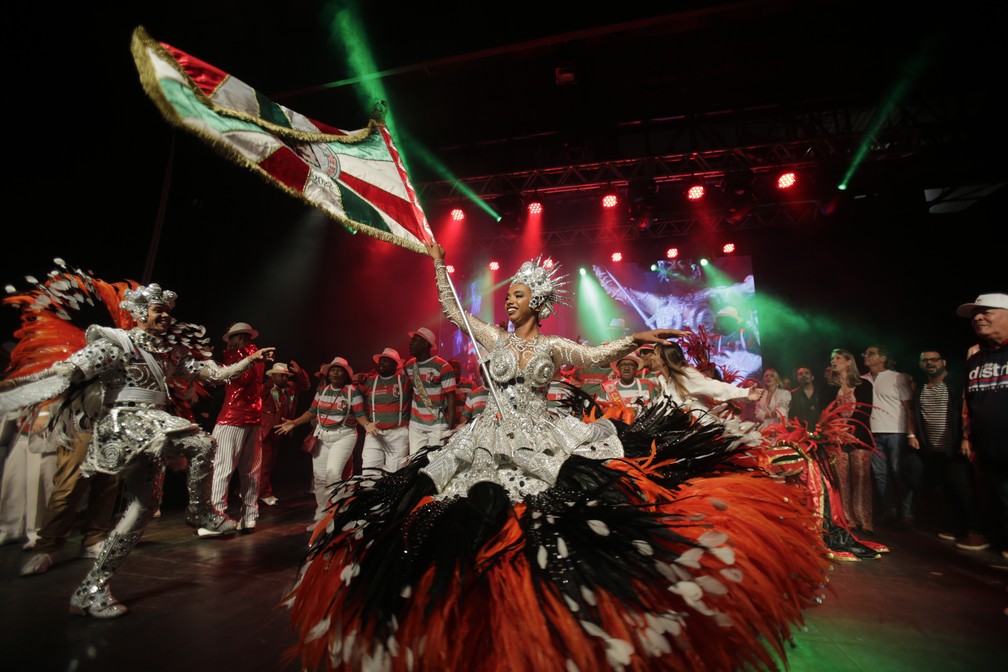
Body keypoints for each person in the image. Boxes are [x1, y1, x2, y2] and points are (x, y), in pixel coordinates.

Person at [281, 244, 830, 671]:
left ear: (538, 304)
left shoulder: (552, 347)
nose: (509, 299)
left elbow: (600, 353)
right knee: (458, 506)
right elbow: (452, 308)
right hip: (487, 434)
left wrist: (639, 337)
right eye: (510, 293)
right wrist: (437, 264)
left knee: (550, 505)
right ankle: (469, 602)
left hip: (542, 436)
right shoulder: (494, 340)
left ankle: (553, 601)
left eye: (518, 294)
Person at [0, 283, 275, 617]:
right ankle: (200, 512)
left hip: (154, 421)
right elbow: (66, 372)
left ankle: (93, 587)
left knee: (144, 508)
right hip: (126, 421)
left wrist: (253, 360)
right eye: (158, 310)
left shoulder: (171, 351)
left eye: (166, 311)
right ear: (139, 314)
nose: (164, 316)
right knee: (200, 441)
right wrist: (17, 388)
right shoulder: (115, 344)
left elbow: (218, 374)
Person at [908, 348, 988, 550]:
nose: (930, 363)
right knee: (945, 489)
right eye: (925, 360)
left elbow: (966, 412)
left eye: (934, 359)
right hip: (932, 448)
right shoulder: (920, 388)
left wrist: (964, 438)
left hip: (954, 447)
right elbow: (915, 414)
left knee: (963, 489)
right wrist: (914, 435)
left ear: (943, 362)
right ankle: (958, 527)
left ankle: (977, 531)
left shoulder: (954, 384)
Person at [276, 356, 364, 532]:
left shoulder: (352, 391)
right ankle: (322, 517)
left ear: (346, 374)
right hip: (323, 436)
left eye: (339, 370)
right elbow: (311, 412)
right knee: (320, 478)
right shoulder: (322, 390)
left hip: (344, 436)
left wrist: (368, 425)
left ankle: (337, 516)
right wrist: (293, 422)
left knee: (333, 475)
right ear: (328, 374)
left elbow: (360, 415)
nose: (335, 372)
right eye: (332, 369)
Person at [956, 293, 1008, 560]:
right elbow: (971, 400)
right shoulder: (975, 356)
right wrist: (968, 436)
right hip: (990, 450)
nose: (977, 317)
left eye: (987, 312)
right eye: (975, 315)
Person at [209, 322, 267, 534]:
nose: (230, 344)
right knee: (250, 470)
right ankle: (250, 516)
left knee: (221, 468)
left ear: (239, 338)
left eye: (232, 339)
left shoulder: (240, 356)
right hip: (253, 417)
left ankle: (216, 516)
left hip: (232, 418)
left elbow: (239, 379)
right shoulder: (259, 356)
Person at [862, 344, 917, 527]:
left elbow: (909, 407)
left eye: (871, 354)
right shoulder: (863, 379)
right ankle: (889, 511)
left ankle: (906, 513)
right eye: (866, 354)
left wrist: (911, 434)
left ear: (883, 358)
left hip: (896, 432)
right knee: (879, 475)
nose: (866, 356)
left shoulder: (897, 377)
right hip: (873, 432)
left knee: (898, 472)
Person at [827, 348, 876, 535]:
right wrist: (836, 430)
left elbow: (864, 411)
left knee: (861, 479)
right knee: (842, 480)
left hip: (859, 437)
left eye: (838, 358)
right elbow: (829, 413)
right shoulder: (831, 387)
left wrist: (850, 430)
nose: (834, 361)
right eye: (832, 358)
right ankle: (848, 518)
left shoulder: (863, 384)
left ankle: (865, 519)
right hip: (838, 438)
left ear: (849, 362)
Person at [645, 341, 763, 416]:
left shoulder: (686, 375)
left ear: (665, 360)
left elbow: (714, 386)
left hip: (701, 432)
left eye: (654, 354)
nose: (651, 357)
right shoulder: (663, 381)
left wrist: (745, 392)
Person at [258, 360, 310, 507]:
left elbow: (305, 385)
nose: (285, 379)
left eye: (286, 376)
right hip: (266, 430)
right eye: (281, 376)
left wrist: (300, 374)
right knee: (265, 463)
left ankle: (256, 489)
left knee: (271, 462)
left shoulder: (290, 387)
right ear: (273, 376)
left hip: (283, 430)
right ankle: (263, 493)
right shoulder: (265, 387)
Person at [358, 347, 412, 477]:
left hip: (398, 434)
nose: (382, 363)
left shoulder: (404, 381)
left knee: (395, 475)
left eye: (387, 361)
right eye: (381, 360)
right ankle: (370, 497)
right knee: (368, 472)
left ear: (395, 365)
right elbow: (355, 401)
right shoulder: (369, 381)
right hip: (374, 433)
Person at [404, 327, 456, 457]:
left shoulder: (443, 366)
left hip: (437, 425)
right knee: (415, 463)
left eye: (415, 341)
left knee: (435, 464)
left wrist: (450, 427)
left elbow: (451, 397)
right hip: (416, 425)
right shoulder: (409, 366)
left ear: (425, 344)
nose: (411, 344)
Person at [788, 365, 828, 431]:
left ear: (812, 377)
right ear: (797, 378)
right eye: (800, 374)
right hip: (801, 432)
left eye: (806, 373)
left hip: (821, 430)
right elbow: (791, 415)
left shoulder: (821, 392)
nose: (803, 375)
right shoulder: (793, 394)